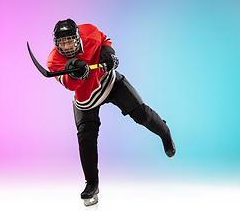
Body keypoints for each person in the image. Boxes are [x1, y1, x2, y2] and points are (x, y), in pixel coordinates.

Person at [46, 18, 175, 206]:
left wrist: (108, 53)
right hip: (86, 97)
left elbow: (105, 40)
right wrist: (73, 71)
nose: (66, 47)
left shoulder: (89, 31)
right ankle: (92, 185)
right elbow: (69, 84)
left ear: (78, 37)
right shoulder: (54, 61)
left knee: (142, 115)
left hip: (110, 83)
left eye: (69, 40)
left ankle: (165, 133)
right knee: (86, 138)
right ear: (56, 43)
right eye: (61, 43)